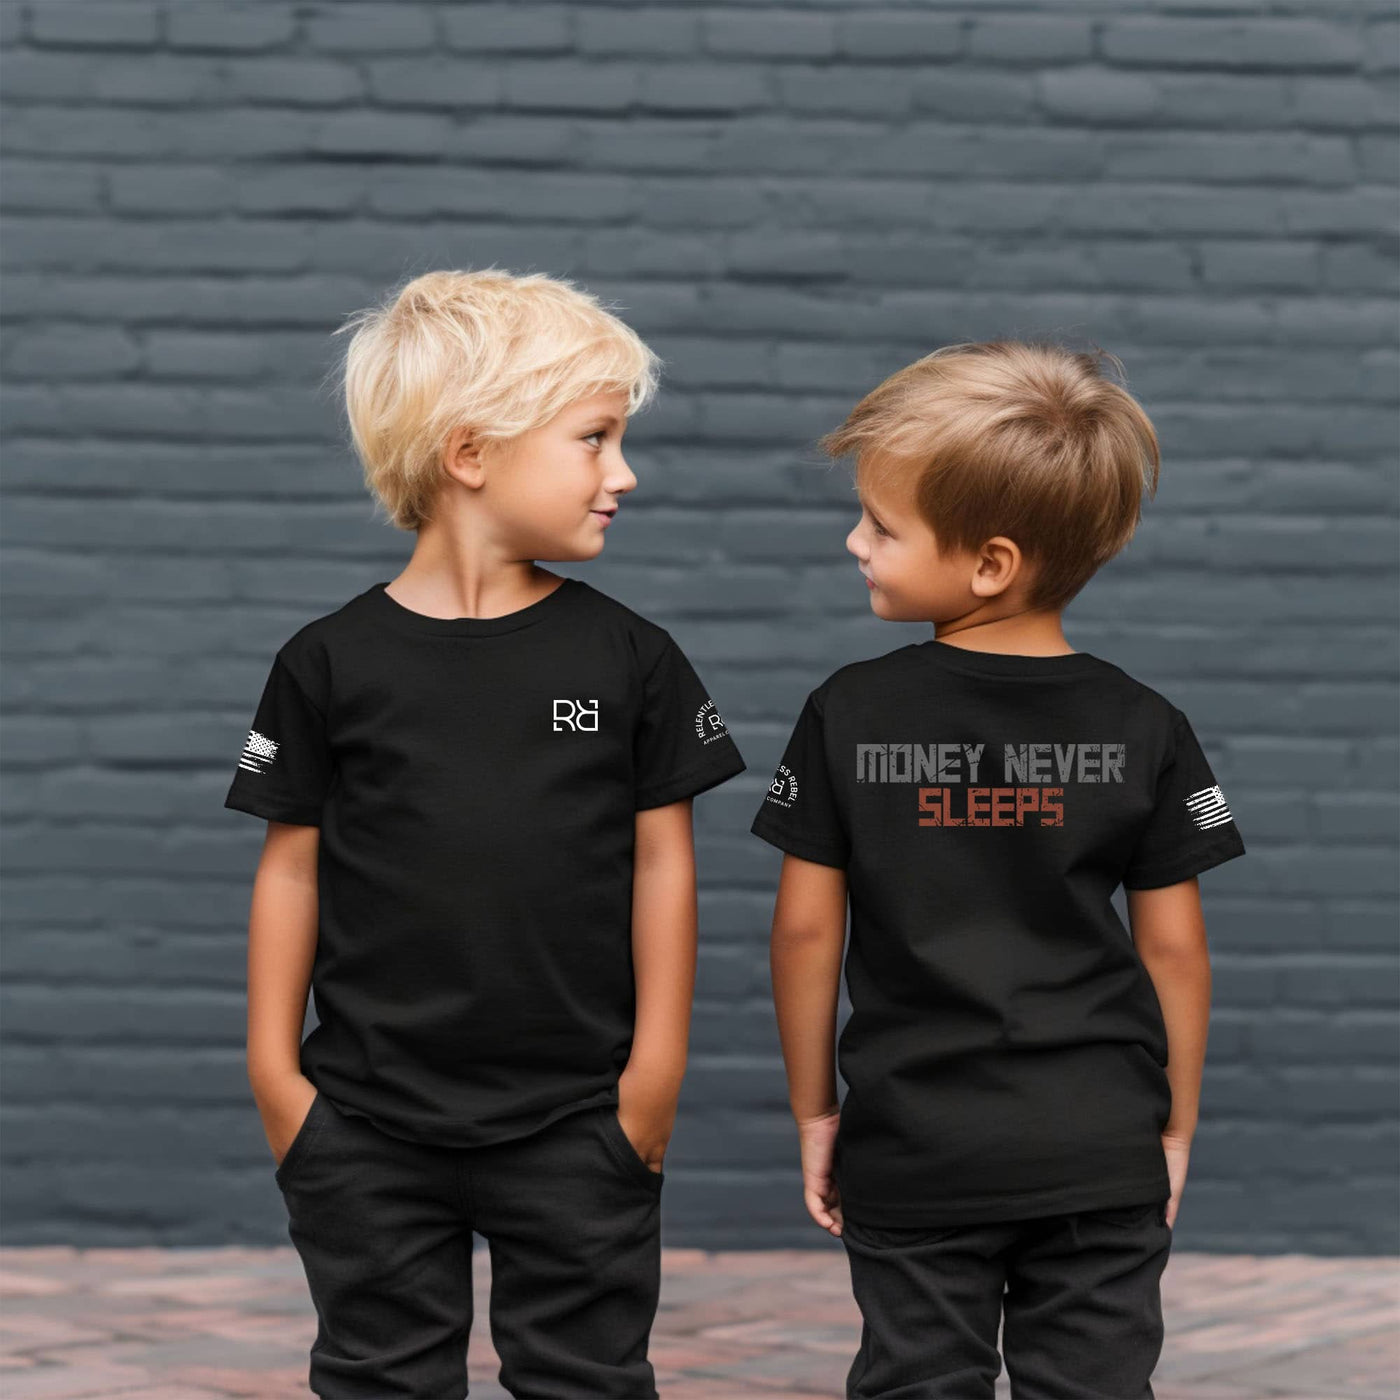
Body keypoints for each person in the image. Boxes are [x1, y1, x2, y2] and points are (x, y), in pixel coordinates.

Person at [225, 268, 745, 1399]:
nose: (624, 473)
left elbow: (664, 864)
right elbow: (291, 868)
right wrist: (277, 1075)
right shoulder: (328, 663)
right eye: (595, 438)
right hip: (362, 1119)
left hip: (577, 1117)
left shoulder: (630, 660)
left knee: (586, 1379)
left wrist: (652, 1073)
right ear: (471, 454)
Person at [750, 340, 1247, 1400]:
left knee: (915, 1380)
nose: (854, 541)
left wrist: (814, 1111)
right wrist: (1171, 1126)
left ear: (988, 562)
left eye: (880, 526)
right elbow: (1174, 948)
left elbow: (802, 933)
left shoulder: (848, 711)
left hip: (916, 1141)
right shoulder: (1143, 724)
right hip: (1098, 1139)